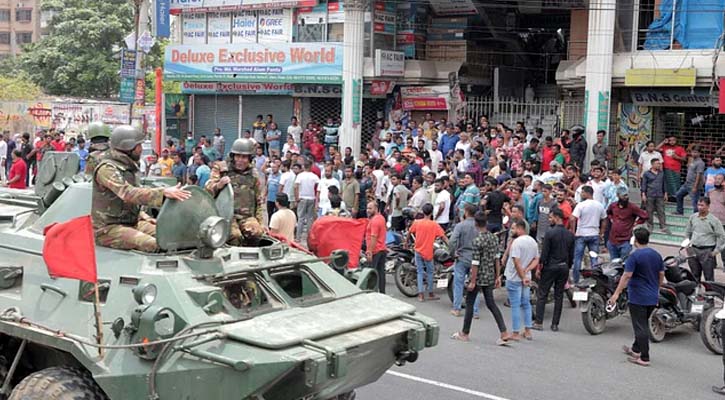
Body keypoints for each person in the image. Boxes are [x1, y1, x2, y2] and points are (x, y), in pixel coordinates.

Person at [92, 126, 191, 252]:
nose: (141, 149)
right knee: (154, 244)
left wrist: (145, 216)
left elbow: (130, 202)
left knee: (172, 236)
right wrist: (163, 193)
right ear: (128, 147)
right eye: (139, 145)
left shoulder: (129, 167)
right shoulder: (107, 169)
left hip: (132, 223)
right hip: (108, 229)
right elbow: (127, 193)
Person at [451, 211, 511, 344]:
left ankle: (464, 333)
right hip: (489, 276)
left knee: (470, 304)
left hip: (478, 277)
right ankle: (504, 331)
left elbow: (475, 263)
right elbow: (497, 258)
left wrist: (472, 281)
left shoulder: (477, 241)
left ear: (476, 224)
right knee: (491, 304)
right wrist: (498, 276)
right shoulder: (494, 238)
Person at [608, 227, 664, 367]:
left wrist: (616, 294)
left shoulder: (634, 256)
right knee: (642, 323)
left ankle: (644, 357)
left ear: (635, 240)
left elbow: (626, 276)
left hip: (638, 297)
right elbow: (661, 274)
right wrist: (657, 288)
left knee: (640, 327)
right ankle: (635, 349)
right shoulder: (656, 255)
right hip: (652, 296)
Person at [205, 138, 264, 246]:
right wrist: (219, 185)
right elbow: (207, 190)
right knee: (235, 236)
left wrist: (261, 223)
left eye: (244, 157)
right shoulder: (221, 168)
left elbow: (258, 200)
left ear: (250, 158)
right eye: (237, 156)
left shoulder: (253, 174)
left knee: (257, 233)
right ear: (233, 156)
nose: (240, 160)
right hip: (226, 216)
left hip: (246, 217)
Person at [534, 208, 574, 332]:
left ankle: (538, 322)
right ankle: (555, 324)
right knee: (559, 296)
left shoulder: (550, 233)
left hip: (550, 267)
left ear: (557, 217)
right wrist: (567, 267)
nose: (549, 219)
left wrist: (540, 267)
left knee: (542, 294)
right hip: (563, 267)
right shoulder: (570, 235)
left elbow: (544, 254)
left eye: (551, 217)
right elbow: (571, 255)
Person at [504, 219, 539, 341]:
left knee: (515, 305)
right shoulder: (533, 242)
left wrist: (522, 275)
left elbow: (516, 261)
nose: (512, 231)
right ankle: (528, 330)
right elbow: (536, 259)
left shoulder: (517, 243)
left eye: (514, 228)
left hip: (514, 278)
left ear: (520, 228)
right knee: (526, 303)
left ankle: (515, 332)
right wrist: (527, 270)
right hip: (526, 277)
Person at [407, 203, 448, 302]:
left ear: (423, 211)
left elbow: (409, 232)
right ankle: (430, 293)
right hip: (428, 252)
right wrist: (451, 247)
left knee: (420, 272)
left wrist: (406, 242)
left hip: (418, 250)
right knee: (430, 272)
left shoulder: (417, 222)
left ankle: (420, 295)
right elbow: (444, 237)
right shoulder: (434, 224)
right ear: (431, 212)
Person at [449, 204, 481, 317]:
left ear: (466, 212)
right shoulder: (479, 227)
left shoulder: (460, 226)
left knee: (458, 283)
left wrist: (453, 253)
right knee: (474, 283)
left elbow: (452, 241)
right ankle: (475, 311)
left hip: (462, 257)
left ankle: (457, 308)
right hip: (476, 259)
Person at [571, 185, 607, 283]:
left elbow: (573, 218)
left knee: (578, 258)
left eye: (582, 192)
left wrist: (573, 232)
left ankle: (576, 280)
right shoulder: (599, 205)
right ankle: (595, 280)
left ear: (587, 193)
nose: (581, 194)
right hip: (594, 234)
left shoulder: (581, 205)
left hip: (581, 234)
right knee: (594, 258)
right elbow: (604, 219)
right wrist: (601, 232)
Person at [686, 197, 725, 282]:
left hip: (707, 251)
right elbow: (688, 232)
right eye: (698, 205)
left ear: (708, 206)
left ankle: (710, 293)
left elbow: (721, 236)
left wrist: (716, 250)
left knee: (708, 276)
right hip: (694, 249)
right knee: (694, 274)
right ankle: (695, 292)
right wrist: (687, 246)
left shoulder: (714, 220)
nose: (700, 207)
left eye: (702, 205)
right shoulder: (693, 217)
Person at [607, 187, 648, 259]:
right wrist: (611, 219)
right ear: (618, 195)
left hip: (625, 241)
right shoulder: (613, 206)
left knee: (624, 263)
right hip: (612, 240)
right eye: (623, 196)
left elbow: (645, 216)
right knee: (613, 264)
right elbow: (608, 213)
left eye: (627, 195)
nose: (626, 197)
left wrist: (636, 223)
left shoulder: (632, 207)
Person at [641, 158, 670, 233]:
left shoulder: (662, 173)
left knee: (661, 210)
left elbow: (664, 184)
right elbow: (643, 185)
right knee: (649, 211)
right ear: (652, 164)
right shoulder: (646, 174)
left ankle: (663, 226)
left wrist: (666, 193)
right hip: (650, 194)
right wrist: (643, 194)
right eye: (657, 163)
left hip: (660, 194)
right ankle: (650, 226)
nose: (659, 165)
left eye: (659, 163)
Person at [295, 160, 320, 242]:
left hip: (302, 197)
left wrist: (297, 197)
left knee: (301, 218)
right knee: (310, 218)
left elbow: (296, 186)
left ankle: (298, 237)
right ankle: (309, 237)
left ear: (303, 166)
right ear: (311, 166)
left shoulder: (300, 176)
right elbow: (318, 185)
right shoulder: (314, 176)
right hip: (311, 198)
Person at [365, 201, 387, 293]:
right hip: (382, 249)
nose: (368, 210)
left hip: (375, 250)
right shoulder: (381, 218)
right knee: (381, 273)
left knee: (372, 273)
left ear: (376, 209)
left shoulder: (375, 221)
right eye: (367, 208)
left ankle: (372, 292)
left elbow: (374, 237)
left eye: (370, 208)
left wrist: (370, 251)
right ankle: (382, 292)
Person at [675, 146, 705, 215]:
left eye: (695, 152)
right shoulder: (692, 160)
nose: (693, 154)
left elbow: (699, 175)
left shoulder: (700, 163)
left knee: (695, 202)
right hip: (687, 184)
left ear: (699, 153)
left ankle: (697, 216)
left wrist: (695, 186)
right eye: (693, 152)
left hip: (693, 185)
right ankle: (679, 211)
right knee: (678, 195)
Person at [709, 174, 725, 269]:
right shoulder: (710, 192)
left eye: (720, 179)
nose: (717, 181)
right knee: (711, 243)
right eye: (716, 179)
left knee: (723, 244)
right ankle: (712, 263)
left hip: (723, 222)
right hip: (711, 222)